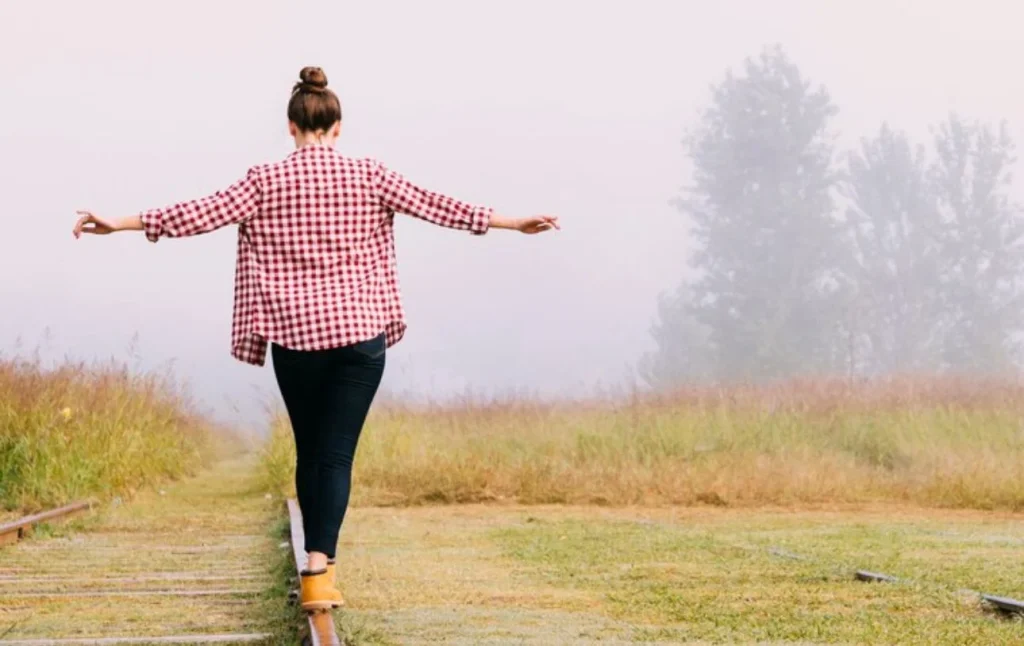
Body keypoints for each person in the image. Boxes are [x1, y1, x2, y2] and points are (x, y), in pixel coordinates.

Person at [72, 66, 559, 612]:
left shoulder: (263, 180)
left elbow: (194, 214)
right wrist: (513, 222)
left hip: (294, 339)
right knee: (336, 456)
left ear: (291, 126)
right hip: (359, 336)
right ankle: (319, 571)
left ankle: (316, 567)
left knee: (311, 451)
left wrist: (119, 222)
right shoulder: (369, 174)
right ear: (338, 127)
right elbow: (439, 205)